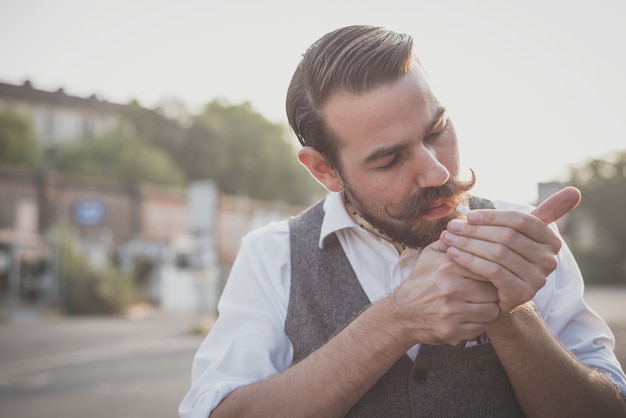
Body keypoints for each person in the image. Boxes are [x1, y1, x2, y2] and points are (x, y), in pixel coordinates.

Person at [179, 25, 626, 417]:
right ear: (324, 169)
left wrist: (512, 309)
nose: (437, 172)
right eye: (389, 160)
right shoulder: (272, 256)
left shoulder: (525, 236)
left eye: (437, 131)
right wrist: (397, 320)